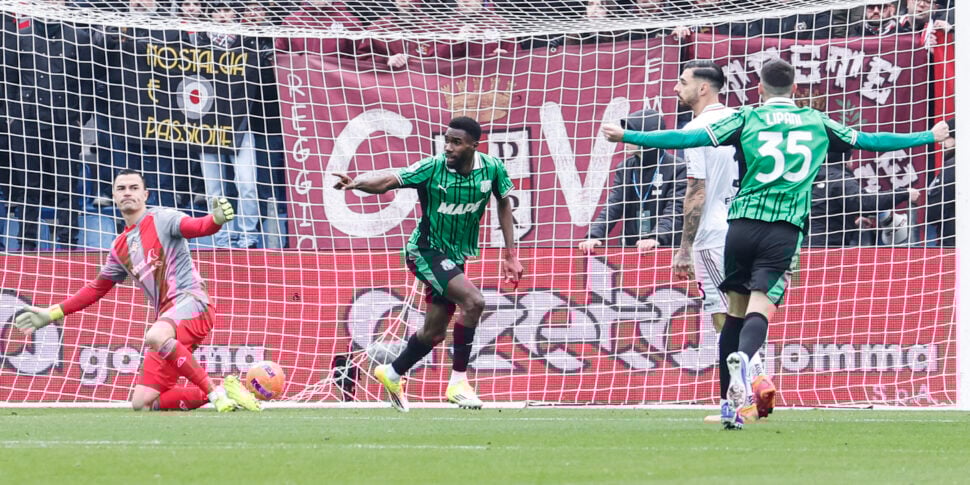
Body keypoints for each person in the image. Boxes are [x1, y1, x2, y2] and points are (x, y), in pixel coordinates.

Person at [602, 58, 950, 429]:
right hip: (783, 229)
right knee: (760, 309)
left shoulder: (747, 117)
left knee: (732, 313)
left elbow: (688, 138)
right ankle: (747, 362)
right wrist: (928, 136)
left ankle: (730, 406)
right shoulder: (816, 121)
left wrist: (629, 137)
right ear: (795, 89)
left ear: (760, 89)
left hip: (740, 226)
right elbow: (870, 141)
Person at [13, 170, 263, 413]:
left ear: (145, 194)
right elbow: (96, 288)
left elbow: (196, 227)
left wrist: (215, 220)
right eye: (121, 188)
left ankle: (214, 393)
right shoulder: (119, 247)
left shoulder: (163, 218)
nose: (127, 193)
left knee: (155, 335)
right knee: (143, 403)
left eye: (134, 188)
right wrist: (52, 313)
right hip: (168, 318)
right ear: (113, 196)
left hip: (193, 302)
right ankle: (226, 391)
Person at [333, 116, 524, 412]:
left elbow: (503, 201)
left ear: (474, 145)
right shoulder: (432, 168)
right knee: (474, 302)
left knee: (434, 333)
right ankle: (458, 383)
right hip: (425, 251)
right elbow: (389, 181)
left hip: (455, 256)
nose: (448, 147)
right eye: (447, 141)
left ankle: (392, 372)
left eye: (456, 142)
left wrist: (510, 253)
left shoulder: (492, 168)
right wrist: (356, 183)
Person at [671, 60, 776, 423]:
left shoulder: (695, 128)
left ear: (703, 88)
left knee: (725, 316)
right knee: (748, 309)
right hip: (754, 225)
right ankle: (748, 393)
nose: (676, 88)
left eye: (682, 82)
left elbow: (696, 190)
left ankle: (753, 382)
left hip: (716, 233)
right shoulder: (744, 120)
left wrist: (684, 248)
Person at [578, 108, 686, 254]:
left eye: (631, 133)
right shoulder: (625, 167)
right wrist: (594, 236)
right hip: (630, 248)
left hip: (666, 248)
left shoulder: (677, 167)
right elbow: (614, 205)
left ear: (647, 136)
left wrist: (655, 237)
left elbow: (675, 209)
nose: (625, 139)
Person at [807, 150, 918, 247]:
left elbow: (821, 211)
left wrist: (852, 223)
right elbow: (864, 201)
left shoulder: (811, 176)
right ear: (846, 158)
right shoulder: (838, 177)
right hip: (823, 248)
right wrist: (904, 193)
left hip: (803, 245)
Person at [925, 118, 955, 247]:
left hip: (952, 240)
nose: (940, 143)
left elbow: (935, 211)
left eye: (945, 138)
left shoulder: (952, 166)